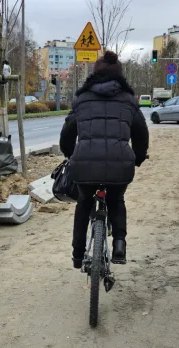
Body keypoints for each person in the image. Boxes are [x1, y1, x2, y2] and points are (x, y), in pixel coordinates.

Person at [59, 51, 149, 269]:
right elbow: (141, 134)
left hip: (84, 165)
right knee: (116, 199)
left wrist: (71, 155)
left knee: (84, 202)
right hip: (120, 166)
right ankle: (119, 245)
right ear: (120, 75)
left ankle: (78, 255)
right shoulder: (129, 100)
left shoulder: (81, 99)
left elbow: (67, 135)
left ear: (95, 74)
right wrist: (137, 158)